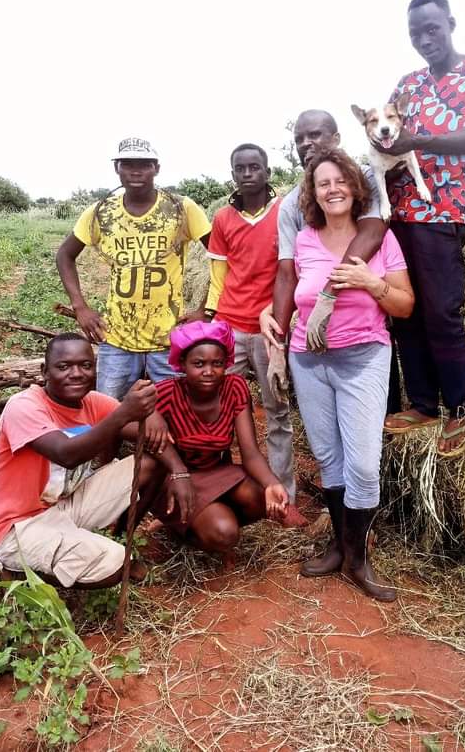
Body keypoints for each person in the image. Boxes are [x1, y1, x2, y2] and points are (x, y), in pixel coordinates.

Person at [379, 0, 465, 456]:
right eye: (415, 32)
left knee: (441, 310)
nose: (423, 39)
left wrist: (419, 139)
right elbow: (387, 134)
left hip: (444, 209)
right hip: (398, 209)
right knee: (407, 309)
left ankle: (459, 409)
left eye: (431, 28)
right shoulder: (407, 83)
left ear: (451, 23)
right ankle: (422, 404)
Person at [287, 149, 414, 602]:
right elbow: (295, 294)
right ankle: (339, 548)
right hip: (308, 360)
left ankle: (359, 558)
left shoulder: (381, 240)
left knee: (362, 465)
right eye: (323, 183)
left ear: (355, 187)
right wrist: (271, 322)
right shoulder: (304, 239)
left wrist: (372, 285)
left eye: (340, 180)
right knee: (330, 460)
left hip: (363, 358)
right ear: (313, 193)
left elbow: (404, 304)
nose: (332, 189)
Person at [0, 333, 194, 588]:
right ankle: (19, 569)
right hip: (19, 526)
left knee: (152, 462)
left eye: (85, 365)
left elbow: (150, 435)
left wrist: (179, 471)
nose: (76, 373)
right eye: (64, 366)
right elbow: (66, 454)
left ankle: (119, 538)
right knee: (112, 566)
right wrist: (125, 413)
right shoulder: (24, 406)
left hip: (64, 506)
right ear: (44, 371)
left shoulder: (93, 402)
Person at [56, 137, 212, 399]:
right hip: (118, 338)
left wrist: (206, 310)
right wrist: (80, 306)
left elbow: (220, 255)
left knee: (177, 414)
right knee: (108, 413)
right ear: (117, 168)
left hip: (169, 339)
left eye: (144, 164)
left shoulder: (180, 209)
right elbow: (64, 255)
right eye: (127, 164)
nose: (136, 171)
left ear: (157, 168)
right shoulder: (101, 213)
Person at [203, 143, 305, 527]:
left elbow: (293, 271)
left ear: (266, 171)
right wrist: (213, 325)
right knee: (215, 413)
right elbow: (219, 279)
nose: (247, 174)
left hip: (268, 329)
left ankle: (283, 498)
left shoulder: (285, 212)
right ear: (232, 173)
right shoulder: (224, 218)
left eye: (254, 167)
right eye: (239, 168)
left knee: (277, 412)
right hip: (229, 327)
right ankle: (219, 492)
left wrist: (283, 321)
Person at [260, 111, 386, 393]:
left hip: (365, 324)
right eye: (299, 139)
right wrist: (279, 344)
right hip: (314, 340)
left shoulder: (365, 178)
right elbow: (286, 273)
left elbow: (373, 232)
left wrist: (328, 295)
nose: (306, 143)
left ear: (337, 138)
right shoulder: (291, 205)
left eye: (314, 135)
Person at [152, 319, 289, 564]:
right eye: (198, 364)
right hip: (179, 480)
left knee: (260, 496)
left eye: (217, 363)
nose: (208, 371)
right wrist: (152, 418)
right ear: (181, 364)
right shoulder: (166, 392)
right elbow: (124, 421)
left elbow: (250, 453)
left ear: (226, 364)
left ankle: (202, 516)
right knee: (224, 533)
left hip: (218, 473)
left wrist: (272, 484)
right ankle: (183, 528)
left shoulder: (234, 387)